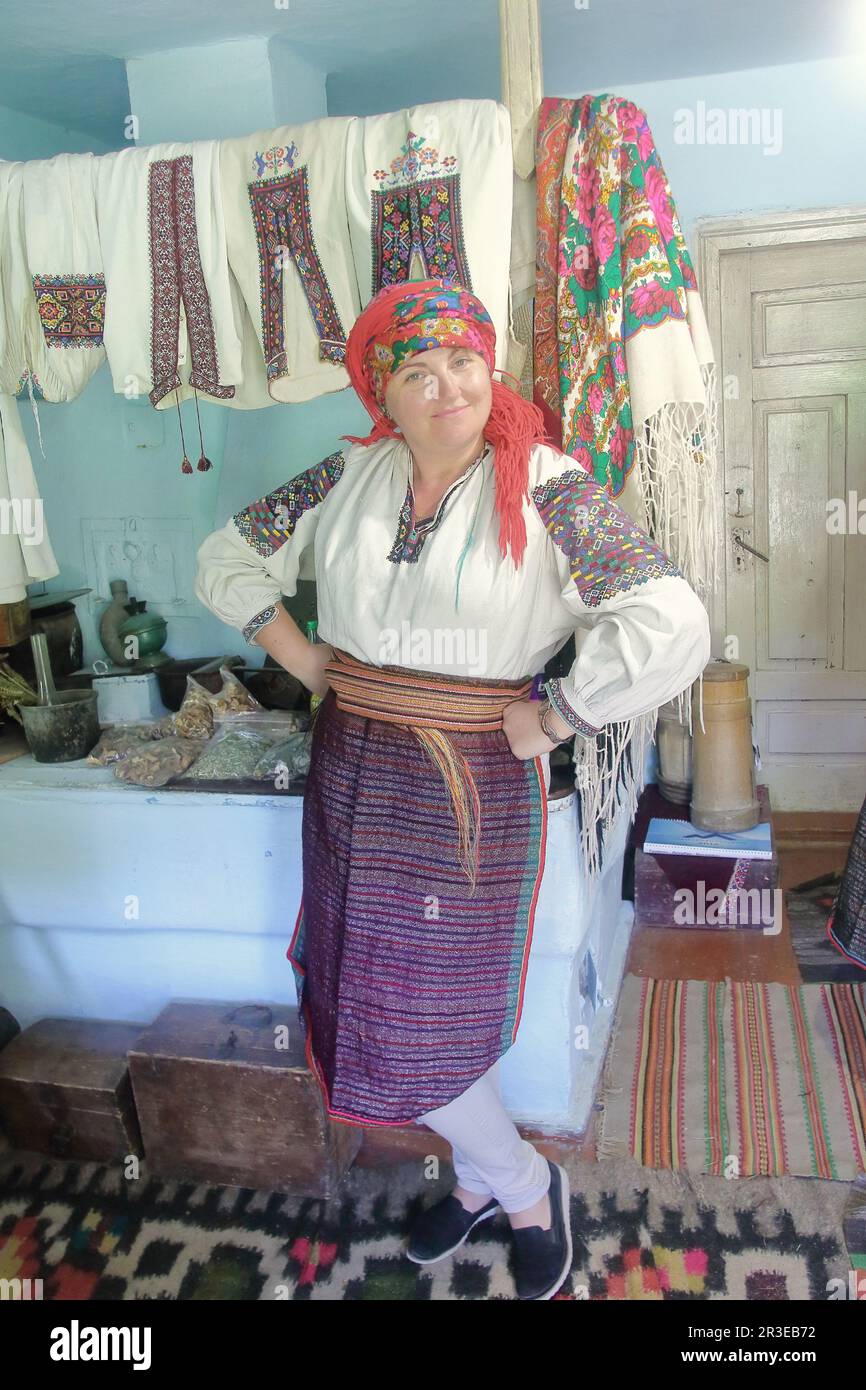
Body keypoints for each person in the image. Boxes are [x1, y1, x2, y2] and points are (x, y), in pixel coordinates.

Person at [194, 277, 711, 1299]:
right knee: (365, 995)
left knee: (423, 1010)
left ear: (490, 366)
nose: (445, 389)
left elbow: (670, 616)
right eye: (415, 372)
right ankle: (488, 1176)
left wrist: (560, 712)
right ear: (380, 393)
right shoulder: (344, 476)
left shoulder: (546, 485)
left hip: (469, 785)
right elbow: (224, 552)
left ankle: (521, 1189)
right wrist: (303, 662)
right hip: (350, 771)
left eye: (464, 362)